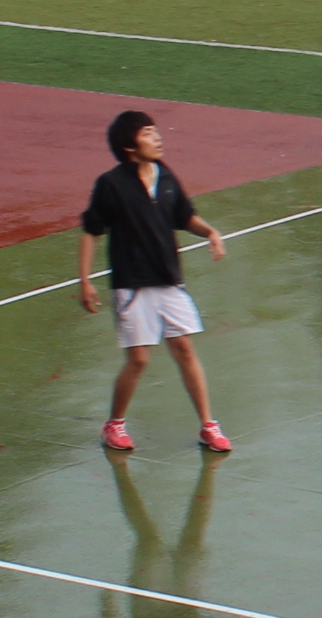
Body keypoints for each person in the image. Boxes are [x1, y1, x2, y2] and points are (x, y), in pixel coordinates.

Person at [74, 110, 230, 454]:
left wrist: (210, 232)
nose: (157, 138)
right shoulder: (111, 184)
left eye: (156, 131)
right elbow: (91, 231)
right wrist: (85, 281)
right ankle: (114, 424)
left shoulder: (166, 175)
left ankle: (208, 425)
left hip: (168, 280)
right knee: (139, 360)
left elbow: (184, 217)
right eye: (147, 133)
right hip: (132, 285)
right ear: (129, 146)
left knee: (184, 349)